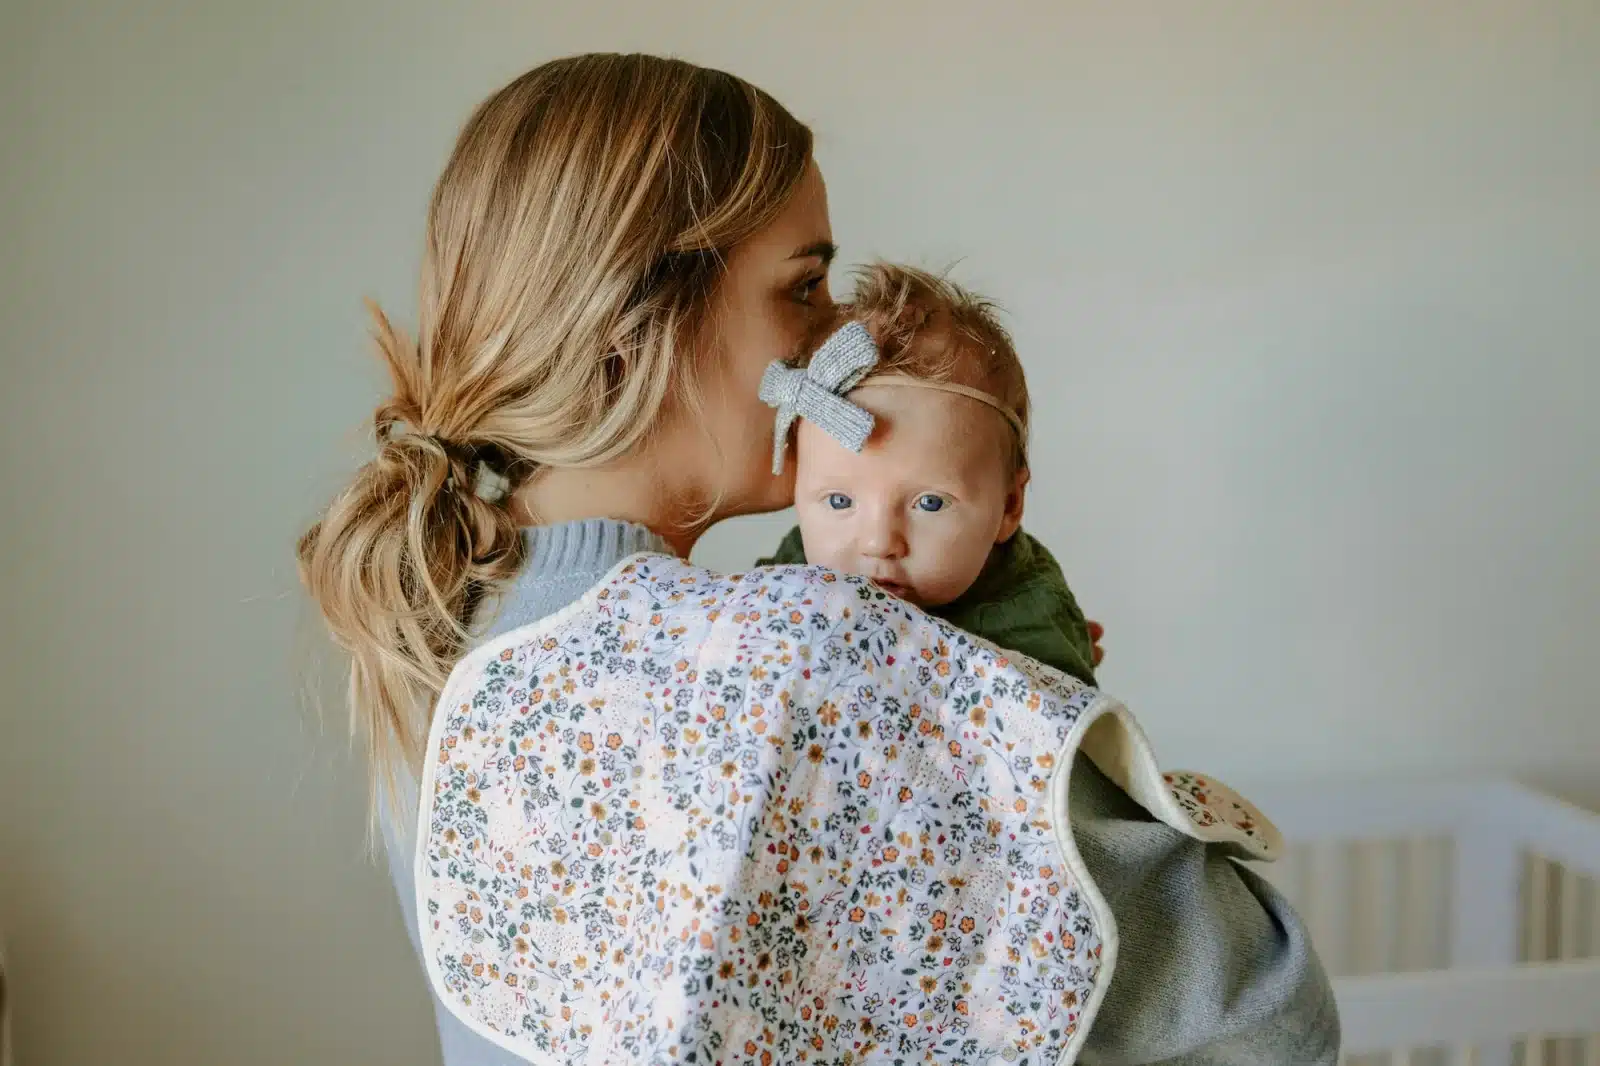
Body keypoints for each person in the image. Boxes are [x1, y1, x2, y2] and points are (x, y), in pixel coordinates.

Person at [298, 52, 1338, 1065]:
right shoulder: (807, 653)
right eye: (804, 288)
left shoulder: (436, 635)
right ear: (637, 324)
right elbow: (1269, 1015)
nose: (845, 338)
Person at [758, 262, 1099, 688]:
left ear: (1010, 505)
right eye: (840, 501)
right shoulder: (797, 574)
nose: (879, 543)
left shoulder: (1030, 623)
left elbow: (1055, 723)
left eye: (930, 503)